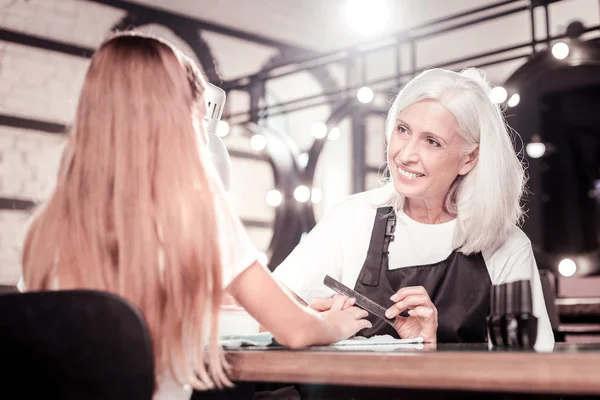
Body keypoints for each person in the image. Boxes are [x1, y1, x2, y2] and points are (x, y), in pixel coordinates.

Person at [20, 32, 371, 399]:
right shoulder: (197, 211)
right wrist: (333, 324)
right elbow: (294, 331)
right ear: (179, 115)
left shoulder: (43, 230)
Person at [273, 67, 555, 347]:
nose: (405, 155)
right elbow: (269, 319)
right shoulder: (351, 219)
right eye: (402, 130)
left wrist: (431, 352)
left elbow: (531, 368)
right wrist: (316, 325)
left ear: (468, 159)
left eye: (432, 142)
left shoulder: (507, 246)